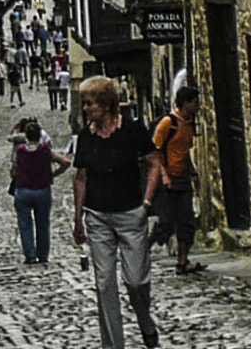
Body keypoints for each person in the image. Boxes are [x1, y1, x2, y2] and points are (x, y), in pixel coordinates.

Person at [72, 75, 163, 349]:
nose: (85, 109)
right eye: (84, 104)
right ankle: (113, 345)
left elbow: (155, 164)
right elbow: (81, 177)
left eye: (89, 104)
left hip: (130, 214)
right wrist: (78, 219)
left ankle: (145, 322)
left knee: (135, 281)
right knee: (104, 284)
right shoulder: (86, 137)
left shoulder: (133, 131)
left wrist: (146, 204)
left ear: (106, 104)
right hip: (98, 216)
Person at [149, 87, 203, 274]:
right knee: (166, 222)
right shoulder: (168, 123)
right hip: (169, 180)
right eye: (195, 102)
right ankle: (145, 247)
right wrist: (163, 175)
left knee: (186, 221)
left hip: (183, 179)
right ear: (186, 103)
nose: (198, 106)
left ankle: (182, 261)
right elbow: (155, 152)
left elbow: (186, 152)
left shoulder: (189, 124)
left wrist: (194, 174)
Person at [10, 116, 71, 264]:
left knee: (25, 223)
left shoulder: (20, 151)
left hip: (24, 190)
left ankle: (30, 254)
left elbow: (13, 172)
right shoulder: (45, 151)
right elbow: (65, 162)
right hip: (42, 190)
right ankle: (43, 254)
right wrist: (53, 174)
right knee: (43, 223)